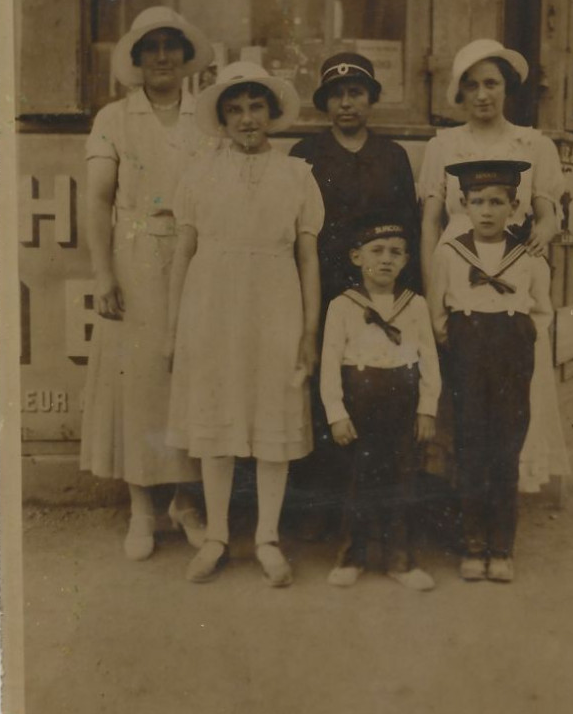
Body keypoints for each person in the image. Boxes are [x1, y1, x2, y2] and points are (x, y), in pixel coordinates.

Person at [164, 62, 324, 588]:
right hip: (212, 304)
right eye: (235, 109)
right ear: (222, 118)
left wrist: (309, 329)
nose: (246, 118)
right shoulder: (200, 173)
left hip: (276, 301)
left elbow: (307, 257)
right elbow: (183, 253)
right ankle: (215, 536)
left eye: (256, 107)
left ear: (272, 113)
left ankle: (268, 539)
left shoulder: (297, 175)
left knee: (272, 414)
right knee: (218, 415)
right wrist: (173, 328)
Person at [80, 6, 215, 561]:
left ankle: (187, 501)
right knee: (138, 382)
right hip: (134, 257)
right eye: (151, 47)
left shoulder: (206, 118)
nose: (162, 56)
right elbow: (97, 197)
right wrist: (104, 272)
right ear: (136, 59)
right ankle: (141, 509)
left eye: (172, 46)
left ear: (186, 58)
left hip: (197, 255)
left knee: (190, 374)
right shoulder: (115, 118)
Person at [418, 37, 567, 491]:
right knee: (460, 393)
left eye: (491, 83)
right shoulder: (444, 145)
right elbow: (429, 224)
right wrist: (432, 300)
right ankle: (460, 503)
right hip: (456, 275)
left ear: (507, 89)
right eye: (472, 85)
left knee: (510, 394)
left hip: (511, 275)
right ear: (458, 92)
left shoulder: (534, 144)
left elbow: (548, 214)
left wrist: (545, 228)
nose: (482, 94)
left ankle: (501, 505)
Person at [288, 52, 420, 536]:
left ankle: (377, 516)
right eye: (337, 95)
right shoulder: (305, 153)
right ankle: (324, 516)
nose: (347, 103)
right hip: (322, 292)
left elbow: (407, 229)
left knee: (378, 396)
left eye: (356, 93)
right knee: (327, 394)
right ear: (325, 103)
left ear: (371, 99)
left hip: (382, 294)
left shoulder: (393, 157)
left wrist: (406, 298)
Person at [428, 160, 554, 583]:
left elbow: (541, 308)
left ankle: (501, 547)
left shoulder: (528, 255)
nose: (486, 210)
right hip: (467, 349)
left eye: (496, 201)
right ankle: (473, 544)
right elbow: (438, 311)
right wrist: (459, 340)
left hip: (511, 351)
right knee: (470, 446)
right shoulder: (450, 252)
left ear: (514, 206)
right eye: (477, 201)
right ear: (463, 203)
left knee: (505, 447)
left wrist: (517, 335)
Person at [320, 216, 441, 590]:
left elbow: (429, 361)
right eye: (376, 251)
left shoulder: (415, 305)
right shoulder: (342, 306)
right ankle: (352, 555)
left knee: (403, 480)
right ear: (356, 257)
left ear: (406, 260)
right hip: (360, 404)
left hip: (402, 404)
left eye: (395, 252)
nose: (386, 259)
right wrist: (337, 414)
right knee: (359, 480)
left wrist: (426, 408)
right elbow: (328, 364)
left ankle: (399, 559)